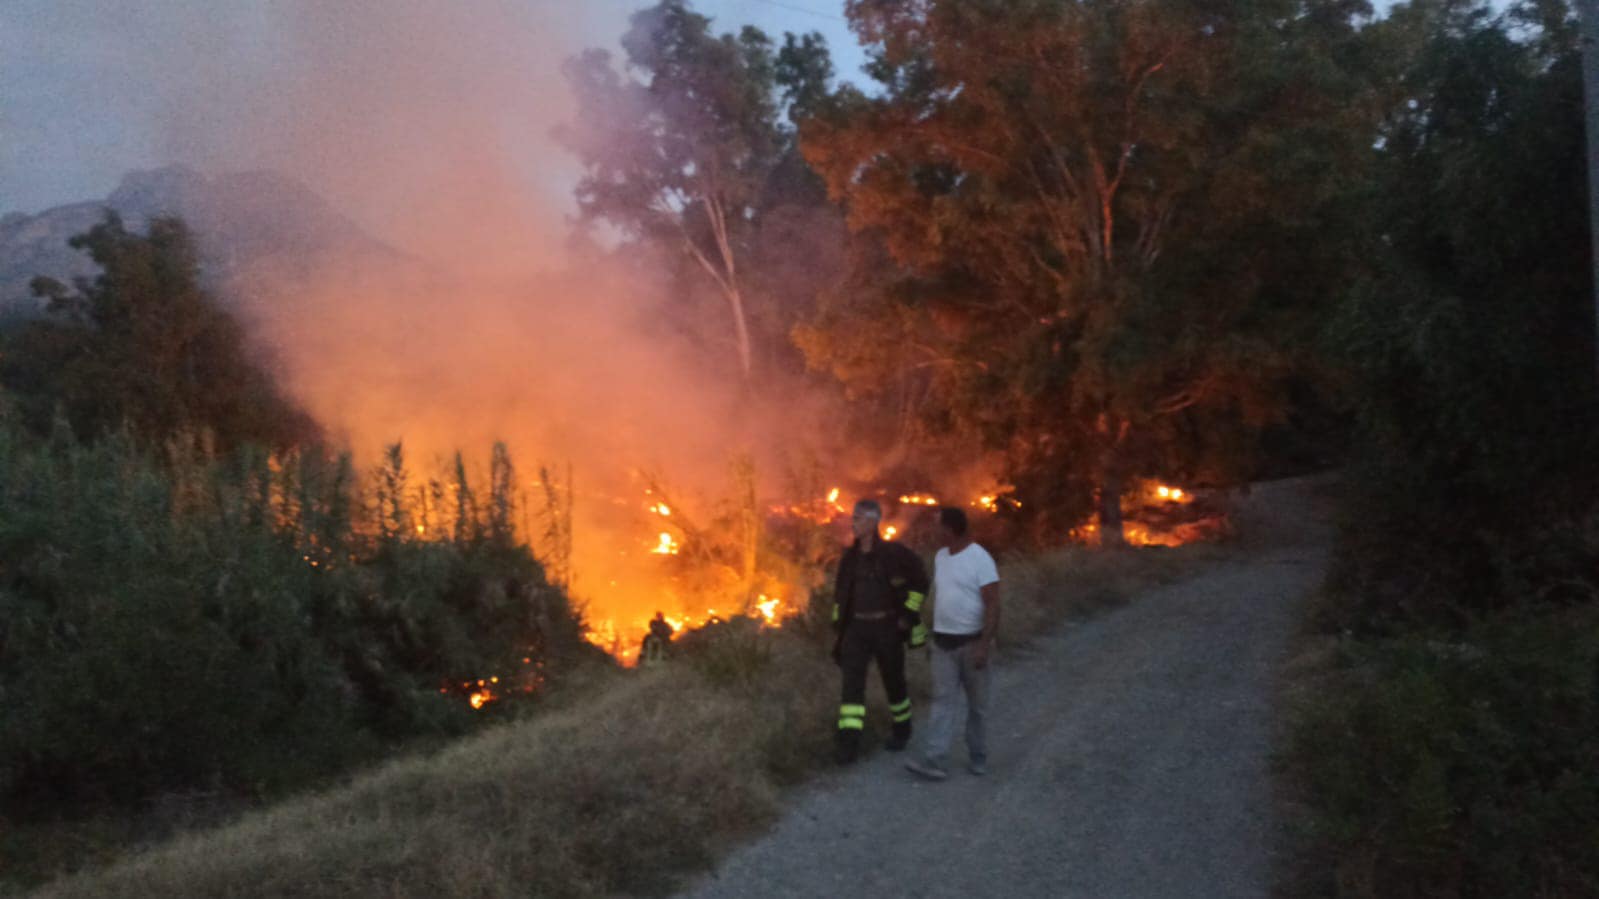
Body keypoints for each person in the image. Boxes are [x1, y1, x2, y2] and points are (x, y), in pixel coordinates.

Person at [830, 499, 930, 764]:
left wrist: (908, 615)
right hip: (856, 631)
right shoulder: (849, 559)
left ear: (874, 522)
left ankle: (902, 729)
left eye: (859, 518)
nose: (854, 523)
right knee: (851, 689)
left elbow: (921, 581)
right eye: (853, 518)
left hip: (887, 628)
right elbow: (840, 595)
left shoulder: (894, 554)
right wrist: (839, 630)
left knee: (894, 682)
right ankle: (848, 744)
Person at [906, 506, 1001, 780]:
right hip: (943, 646)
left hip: (972, 645)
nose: (933, 531)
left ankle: (978, 755)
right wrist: (931, 636)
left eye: (938, 526)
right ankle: (935, 760)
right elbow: (943, 597)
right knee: (942, 702)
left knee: (977, 706)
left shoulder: (980, 558)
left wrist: (984, 644)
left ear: (951, 529)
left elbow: (993, 604)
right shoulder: (940, 557)